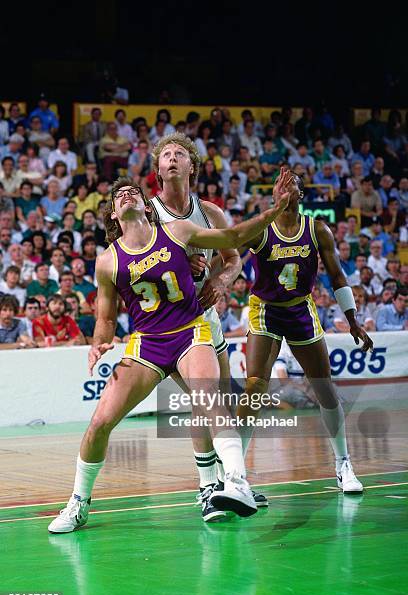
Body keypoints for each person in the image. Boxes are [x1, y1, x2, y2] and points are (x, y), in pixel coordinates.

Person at [47, 173, 292, 534]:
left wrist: (273, 212)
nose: (127, 195)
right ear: (114, 215)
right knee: (100, 423)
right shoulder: (107, 262)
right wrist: (100, 341)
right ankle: (78, 502)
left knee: (211, 400)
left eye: (134, 192)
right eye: (120, 196)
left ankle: (236, 483)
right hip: (147, 342)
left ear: (147, 206)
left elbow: (232, 239)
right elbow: (106, 317)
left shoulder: (177, 230)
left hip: (191, 331)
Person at [149, 133, 268, 517]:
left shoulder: (211, 212)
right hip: (169, 322)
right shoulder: (148, 215)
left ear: (191, 167)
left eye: (178, 154)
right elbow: (133, 264)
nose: (171, 158)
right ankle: (208, 486)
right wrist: (180, 265)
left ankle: (229, 482)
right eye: (165, 154)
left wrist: (219, 279)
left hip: (207, 316)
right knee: (203, 402)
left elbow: (233, 258)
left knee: (218, 402)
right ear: (157, 170)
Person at [237, 170, 373, 494]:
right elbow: (230, 248)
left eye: (292, 184)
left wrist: (352, 320)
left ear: (300, 194)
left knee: (325, 389)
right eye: (279, 186)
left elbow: (338, 277)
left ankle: (343, 464)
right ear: (272, 195)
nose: (285, 189)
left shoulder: (317, 230)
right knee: (255, 385)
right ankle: (235, 473)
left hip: (300, 308)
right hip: (266, 309)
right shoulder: (260, 228)